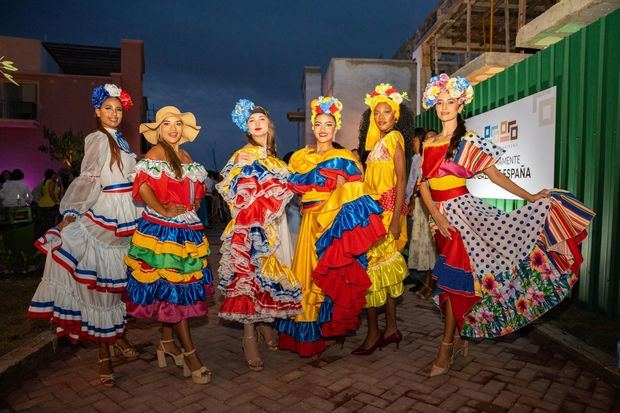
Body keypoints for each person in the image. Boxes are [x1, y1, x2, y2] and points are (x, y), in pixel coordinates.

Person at [418, 73, 595, 376]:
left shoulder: (470, 141)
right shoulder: (429, 143)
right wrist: (435, 215)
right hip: (441, 221)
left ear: (461, 104)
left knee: (452, 281)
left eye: (451, 102)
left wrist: (530, 196)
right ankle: (460, 338)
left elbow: (497, 177)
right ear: (434, 105)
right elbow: (423, 185)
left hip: (465, 218)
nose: (445, 107)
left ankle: (445, 349)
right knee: (453, 280)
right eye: (440, 102)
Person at [28, 84, 141, 387]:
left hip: (129, 213)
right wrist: (72, 213)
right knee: (102, 285)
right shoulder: (97, 139)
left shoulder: (123, 142)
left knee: (118, 283)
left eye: (118, 109)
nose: (114, 114)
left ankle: (119, 338)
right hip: (108, 213)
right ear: (97, 111)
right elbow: (89, 178)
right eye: (108, 109)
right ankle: (104, 358)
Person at [276, 97, 386, 357]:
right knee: (307, 278)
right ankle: (308, 336)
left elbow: (353, 192)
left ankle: (328, 330)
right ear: (312, 128)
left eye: (328, 124)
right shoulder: (300, 158)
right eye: (318, 124)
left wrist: (340, 192)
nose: (323, 129)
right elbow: (289, 190)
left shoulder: (343, 158)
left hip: (330, 226)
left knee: (330, 277)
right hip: (307, 224)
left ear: (335, 128)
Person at [123, 106, 213, 385]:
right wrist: (162, 208)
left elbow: (195, 190)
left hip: (186, 230)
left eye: (177, 124)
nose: (173, 128)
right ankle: (190, 353)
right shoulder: (156, 154)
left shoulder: (186, 156)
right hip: (163, 233)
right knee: (175, 291)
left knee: (173, 288)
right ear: (159, 130)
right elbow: (143, 186)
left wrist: (195, 201)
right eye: (166, 124)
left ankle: (166, 343)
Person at [217, 99, 302, 371]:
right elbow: (233, 195)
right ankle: (249, 336)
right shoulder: (242, 156)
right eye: (251, 121)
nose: (256, 124)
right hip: (252, 230)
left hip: (276, 228)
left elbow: (285, 197)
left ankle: (266, 324)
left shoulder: (275, 160)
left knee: (269, 278)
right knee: (249, 279)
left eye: (261, 120)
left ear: (270, 126)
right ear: (247, 128)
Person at [353, 83, 413, 355]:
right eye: (377, 112)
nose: (381, 116)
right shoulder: (377, 143)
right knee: (381, 275)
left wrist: (397, 218)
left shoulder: (394, 138)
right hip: (373, 214)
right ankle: (388, 329)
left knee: (376, 272)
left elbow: (401, 180)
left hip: (387, 215)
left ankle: (376, 332)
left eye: (386, 112)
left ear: (395, 115)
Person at [406, 129, 438, 298]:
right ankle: (426, 283)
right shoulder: (422, 161)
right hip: (422, 205)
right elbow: (417, 185)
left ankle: (431, 285)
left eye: (433, 137)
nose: (429, 141)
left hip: (434, 206)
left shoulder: (440, 159)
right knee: (424, 246)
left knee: (431, 247)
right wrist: (411, 200)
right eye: (427, 138)